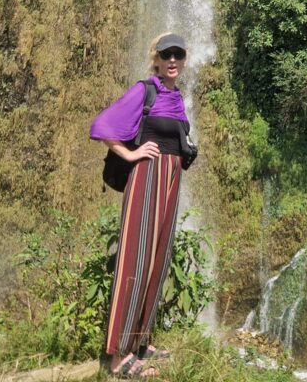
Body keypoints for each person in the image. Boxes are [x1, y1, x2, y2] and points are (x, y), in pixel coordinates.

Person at [90, 32, 190, 378]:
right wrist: (132, 154)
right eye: (167, 54)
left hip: (171, 182)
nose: (173, 59)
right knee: (136, 257)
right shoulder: (144, 90)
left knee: (159, 260)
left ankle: (142, 341)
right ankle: (118, 356)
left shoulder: (177, 99)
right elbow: (102, 126)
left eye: (178, 54)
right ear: (157, 60)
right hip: (147, 178)